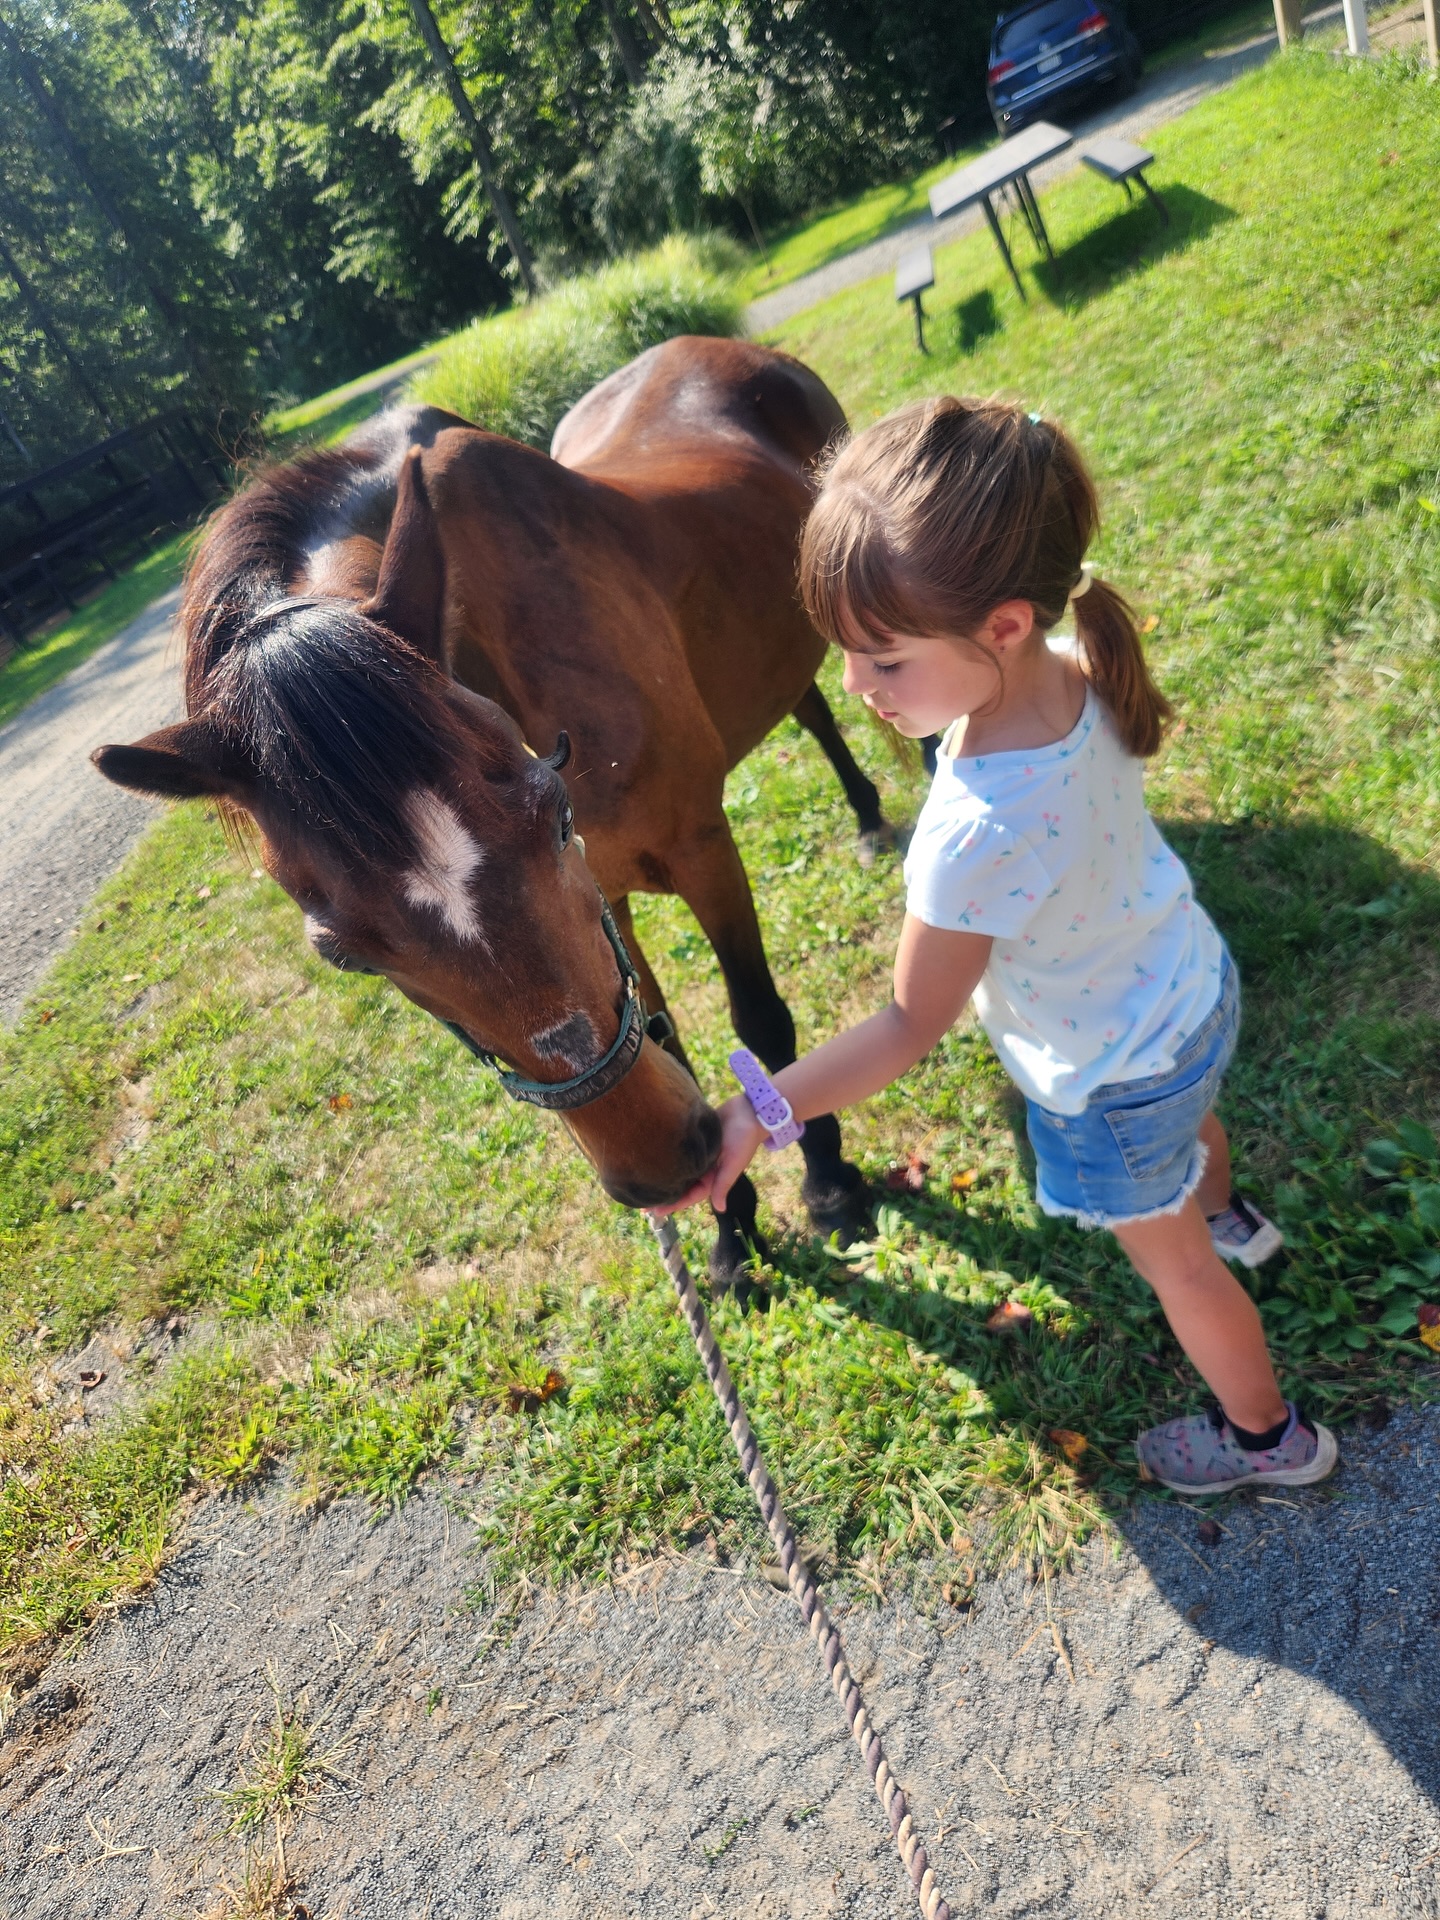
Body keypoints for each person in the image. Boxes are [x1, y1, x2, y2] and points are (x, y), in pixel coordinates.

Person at [667, 395, 1337, 1497]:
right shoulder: (1080, 658)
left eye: (883, 662)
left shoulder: (973, 834)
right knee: (1194, 1122)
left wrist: (759, 1113)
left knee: (1173, 1268)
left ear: (1004, 625)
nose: (853, 689)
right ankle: (1233, 1216)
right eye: (843, 655)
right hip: (1187, 989)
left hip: (1112, 1073)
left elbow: (904, 1026)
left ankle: (1271, 1441)